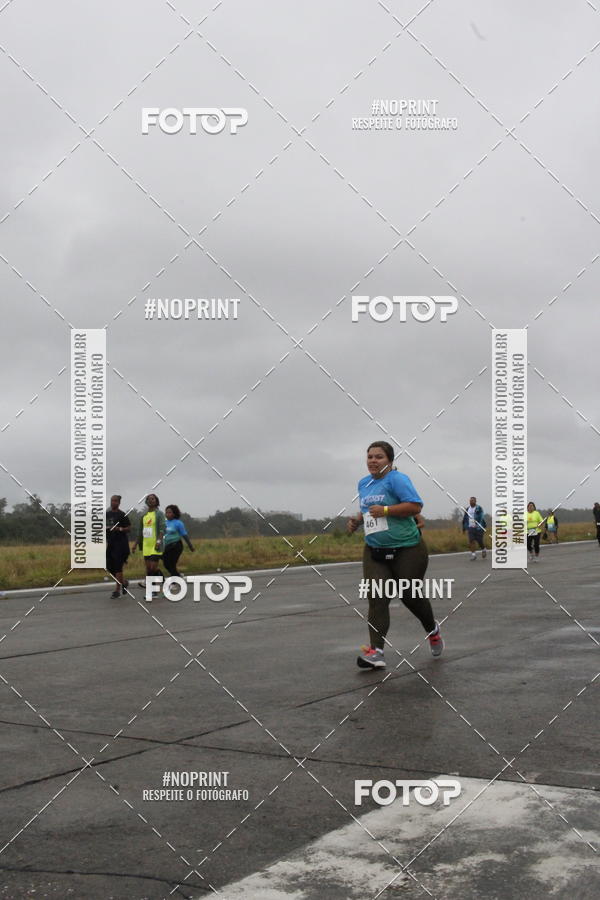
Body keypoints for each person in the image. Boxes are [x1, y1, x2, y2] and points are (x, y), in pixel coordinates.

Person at [347, 441, 443, 669]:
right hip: (374, 549)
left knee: (409, 595)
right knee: (377, 597)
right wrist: (356, 522)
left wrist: (388, 510)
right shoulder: (364, 483)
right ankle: (376, 652)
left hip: (408, 548)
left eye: (378, 457)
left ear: (389, 461)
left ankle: (433, 630)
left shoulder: (398, 480)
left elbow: (415, 506)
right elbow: (368, 510)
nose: (373, 461)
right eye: (369, 457)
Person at [132, 493, 166, 586]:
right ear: (146, 502)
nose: (151, 500)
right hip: (146, 545)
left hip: (156, 545)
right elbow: (140, 532)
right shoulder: (143, 515)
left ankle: (152, 590)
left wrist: (159, 541)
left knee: (152, 568)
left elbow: (162, 529)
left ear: (156, 501)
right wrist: (135, 544)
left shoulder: (159, 514)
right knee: (149, 569)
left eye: (153, 499)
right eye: (149, 499)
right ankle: (160, 585)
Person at [106, 494, 131, 598]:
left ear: (119, 503)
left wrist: (119, 529)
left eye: (115, 501)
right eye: (112, 501)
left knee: (118, 567)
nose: (113, 503)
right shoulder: (107, 514)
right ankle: (124, 582)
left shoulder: (122, 515)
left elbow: (129, 528)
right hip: (111, 543)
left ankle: (117, 591)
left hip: (121, 544)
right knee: (109, 567)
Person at [163, 505, 195, 577]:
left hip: (176, 546)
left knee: (172, 564)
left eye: (169, 512)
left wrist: (190, 546)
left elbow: (184, 535)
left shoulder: (178, 523)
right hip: (166, 546)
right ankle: (177, 576)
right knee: (166, 564)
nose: (167, 514)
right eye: (166, 512)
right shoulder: (164, 522)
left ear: (174, 514)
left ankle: (175, 580)